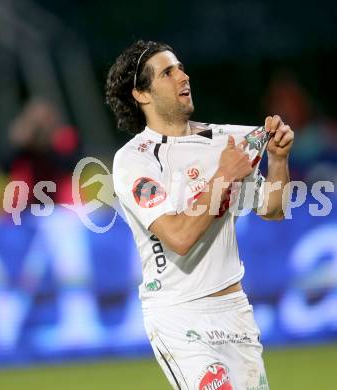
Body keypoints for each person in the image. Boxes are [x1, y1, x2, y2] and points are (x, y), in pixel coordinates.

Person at [106, 40, 294, 390]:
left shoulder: (228, 141)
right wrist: (223, 177)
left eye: (180, 67)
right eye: (167, 72)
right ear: (142, 94)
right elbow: (178, 237)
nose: (183, 75)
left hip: (235, 311)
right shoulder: (135, 160)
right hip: (178, 315)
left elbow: (273, 209)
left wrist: (279, 160)